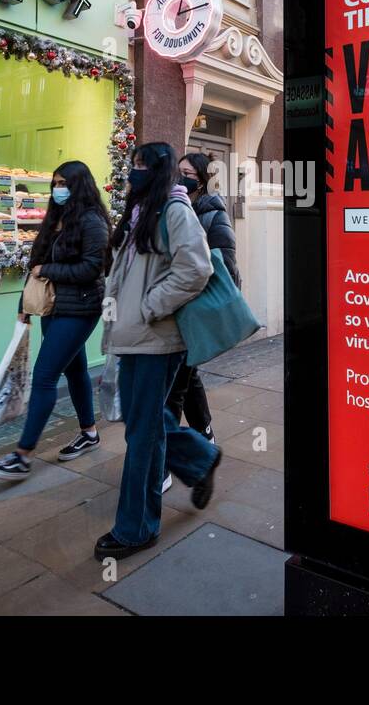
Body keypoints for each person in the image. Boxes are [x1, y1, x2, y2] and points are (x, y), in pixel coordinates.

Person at [95, 142, 222, 560]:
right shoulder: (141, 215)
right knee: (142, 421)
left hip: (156, 340)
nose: (133, 172)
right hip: (134, 337)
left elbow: (196, 268)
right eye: (132, 165)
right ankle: (200, 458)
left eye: (140, 166)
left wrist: (151, 306)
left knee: (142, 436)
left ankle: (136, 529)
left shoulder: (174, 211)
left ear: (158, 171)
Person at [0, 160, 110, 480]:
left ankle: (22, 455)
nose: (58, 189)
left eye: (64, 183)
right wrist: (23, 304)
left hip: (80, 308)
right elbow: (35, 266)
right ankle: (89, 433)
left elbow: (93, 269)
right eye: (54, 183)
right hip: (51, 307)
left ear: (79, 185)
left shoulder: (92, 221)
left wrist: (47, 271)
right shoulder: (56, 219)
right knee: (76, 369)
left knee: (44, 376)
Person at [164, 152, 241, 442]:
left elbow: (226, 265)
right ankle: (204, 432)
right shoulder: (175, 208)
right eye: (178, 172)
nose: (181, 178)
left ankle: (165, 458)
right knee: (186, 375)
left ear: (203, 181)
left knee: (174, 384)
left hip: (195, 306)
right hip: (177, 306)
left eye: (188, 174)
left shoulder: (212, 213)